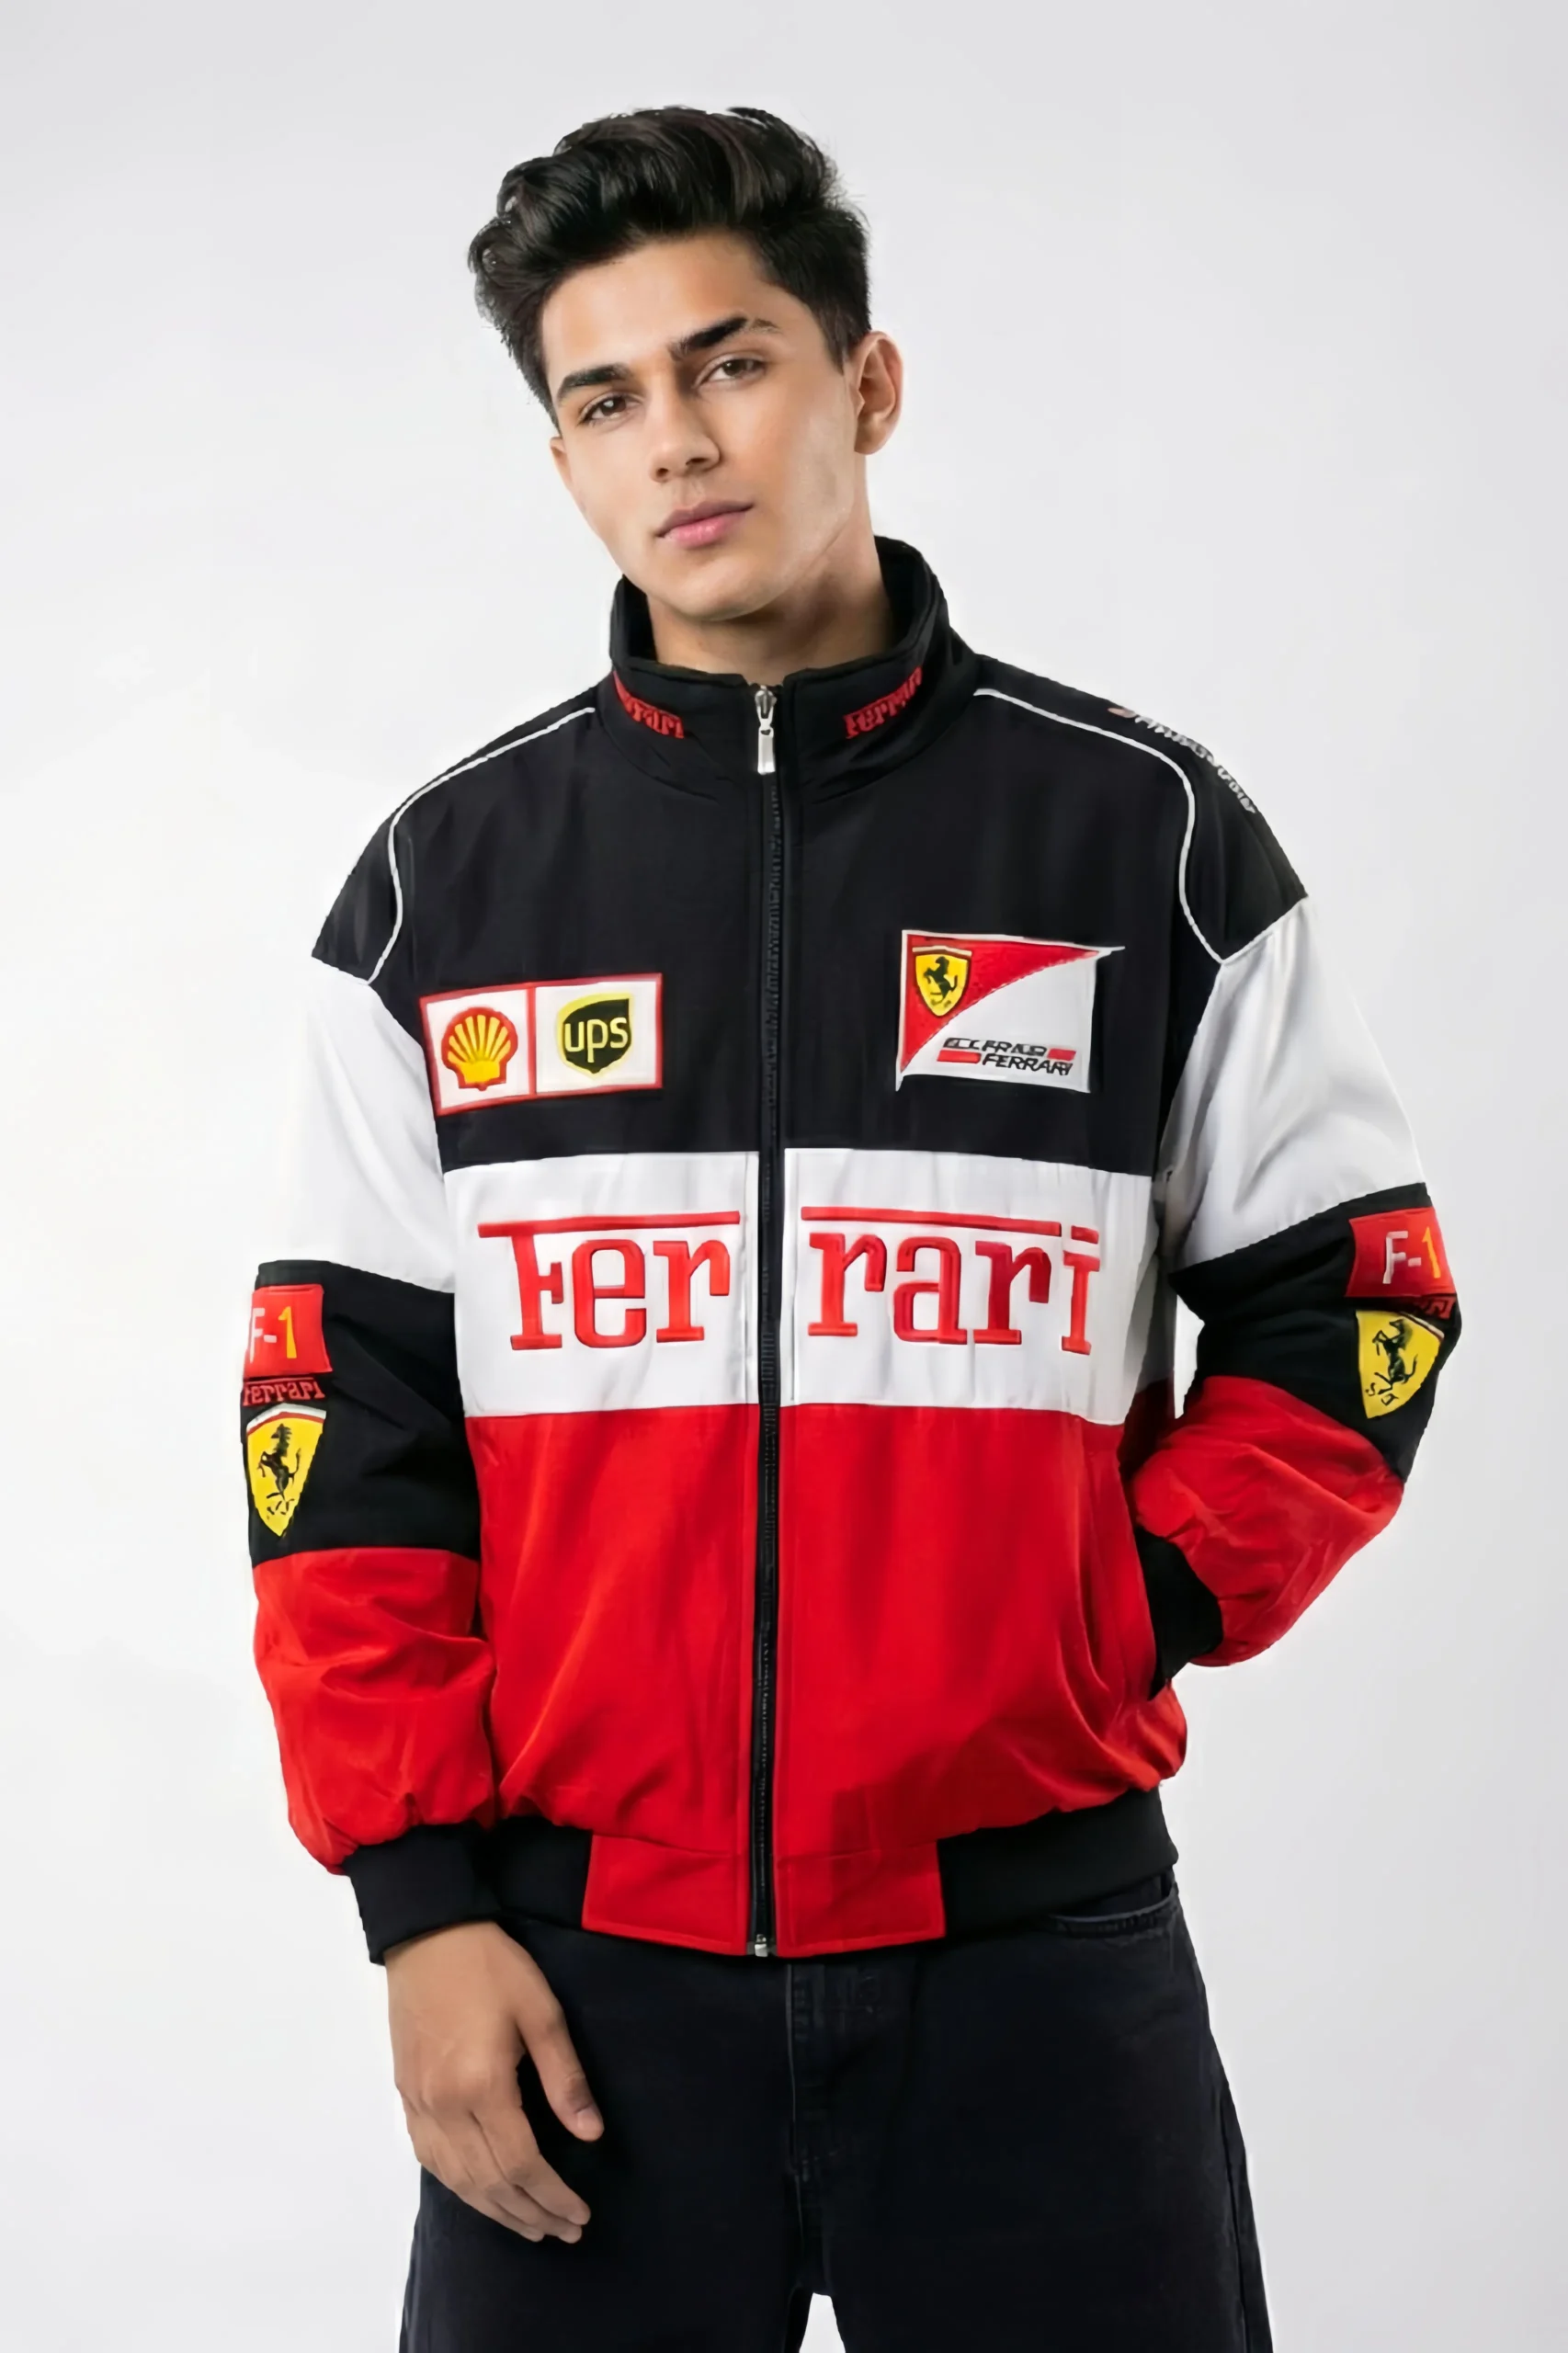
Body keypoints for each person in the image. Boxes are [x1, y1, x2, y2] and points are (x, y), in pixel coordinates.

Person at [240, 105, 1460, 2352]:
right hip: (581, 1977)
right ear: (560, 457)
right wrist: (419, 1906)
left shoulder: (1142, 841)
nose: (677, 440)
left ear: (864, 382)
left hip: (1037, 1968)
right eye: (605, 398)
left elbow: (1358, 1301)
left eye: (733, 362)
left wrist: (1112, 1603)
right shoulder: (442, 890)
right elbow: (341, 1431)